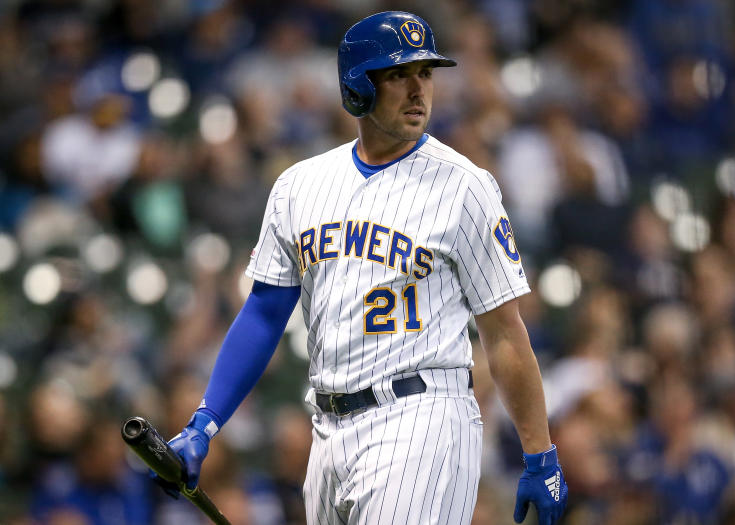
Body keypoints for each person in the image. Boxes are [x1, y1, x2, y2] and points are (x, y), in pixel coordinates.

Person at [160, 11, 568, 525]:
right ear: (357, 87)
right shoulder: (299, 186)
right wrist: (204, 423)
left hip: (423, 417)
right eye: (398, 75)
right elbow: (264, 313)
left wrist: (540, 452)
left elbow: (504, 332)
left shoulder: (465, 186)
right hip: (327, 431)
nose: (419, 89)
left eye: (426, 73)